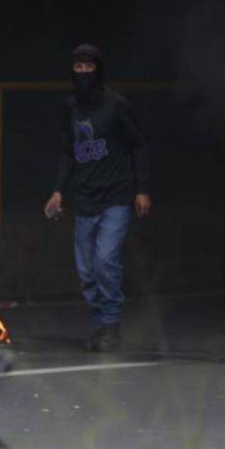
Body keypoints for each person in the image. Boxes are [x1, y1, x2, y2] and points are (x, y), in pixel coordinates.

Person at [43, 44, 150, 352]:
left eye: (90, 67)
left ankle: (111, 325)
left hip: (116, 193)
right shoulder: (70, 108)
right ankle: (101, 324)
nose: (84, 72)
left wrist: (142, 188)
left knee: (105, 260)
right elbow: (67, 151)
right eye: (78, 67)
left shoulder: (116, 105)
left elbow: (139, 145)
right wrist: (57, 190)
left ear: (99, 69)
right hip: (84, 197)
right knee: (87, 269)